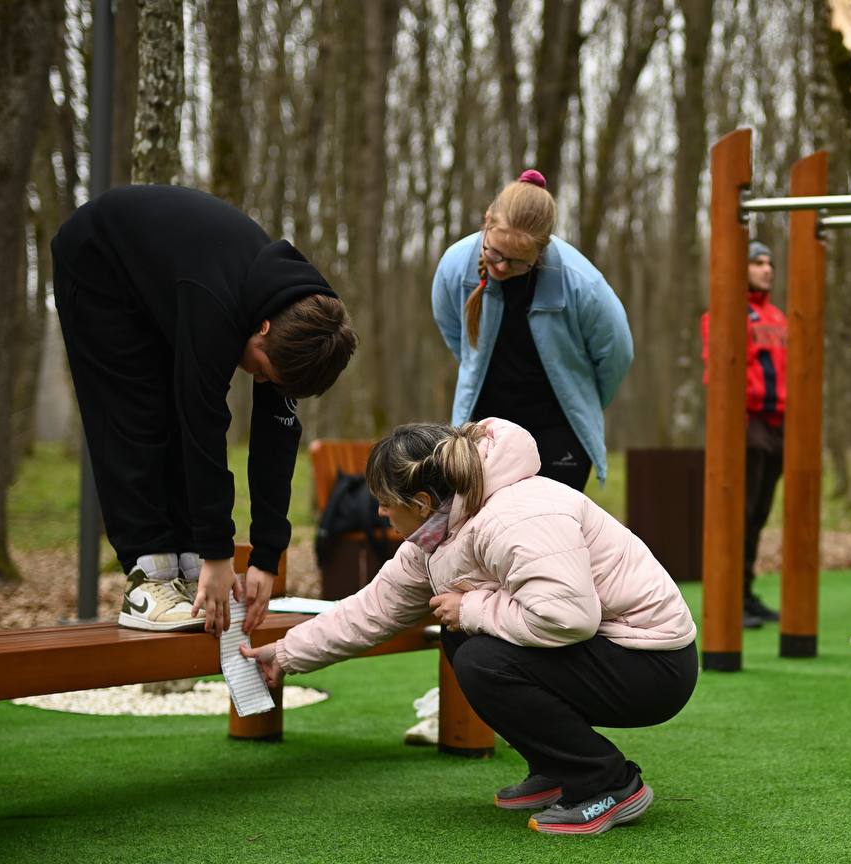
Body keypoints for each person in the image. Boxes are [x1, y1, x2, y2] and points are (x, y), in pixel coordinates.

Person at [242, 419, 698, 836]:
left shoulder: (516, 515)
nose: (379, 513)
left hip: (652, 663)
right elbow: (373, 609)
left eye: (384, 503)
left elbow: (568, 618)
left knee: (481, 656)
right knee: (463, 639)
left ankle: (607, 784)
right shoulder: (438, 533)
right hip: (607, 649)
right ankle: (557, 768)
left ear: (421, 503)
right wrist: (284, 655)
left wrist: (472, 609)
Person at [51, 184, 357, 636]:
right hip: (99, 262)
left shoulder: (302, 323)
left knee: (176, 415)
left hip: (167, 277)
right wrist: (219, 554)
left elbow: (277, 442)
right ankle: (147, 577)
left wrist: (267, 558)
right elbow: (204, 433)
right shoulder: (216, 306)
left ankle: (189, 562)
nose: (260, 380)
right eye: (264, 369)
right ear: (264, 327)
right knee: (138, 416)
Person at [431, 170, 633, 492]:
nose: (500, 267)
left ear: (541, 250)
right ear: (487, 221)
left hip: (557, 430)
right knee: (481, 533)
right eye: (494, 253)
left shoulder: (582, 284)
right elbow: (453, 331)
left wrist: (580, 396)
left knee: (548, 533)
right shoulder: (456, 265)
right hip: (484, 427)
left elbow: (617, 354)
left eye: (516, 262)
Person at [699, 240, 786, 629]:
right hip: (746, 424)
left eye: (769, 263)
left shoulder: (781, 318)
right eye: (757, 262)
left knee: (759, 515)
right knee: (739, 513)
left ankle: (747, 593)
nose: (767, 269)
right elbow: (720, 370)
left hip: (778, 424)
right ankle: (730, 598)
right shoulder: (723, 315)